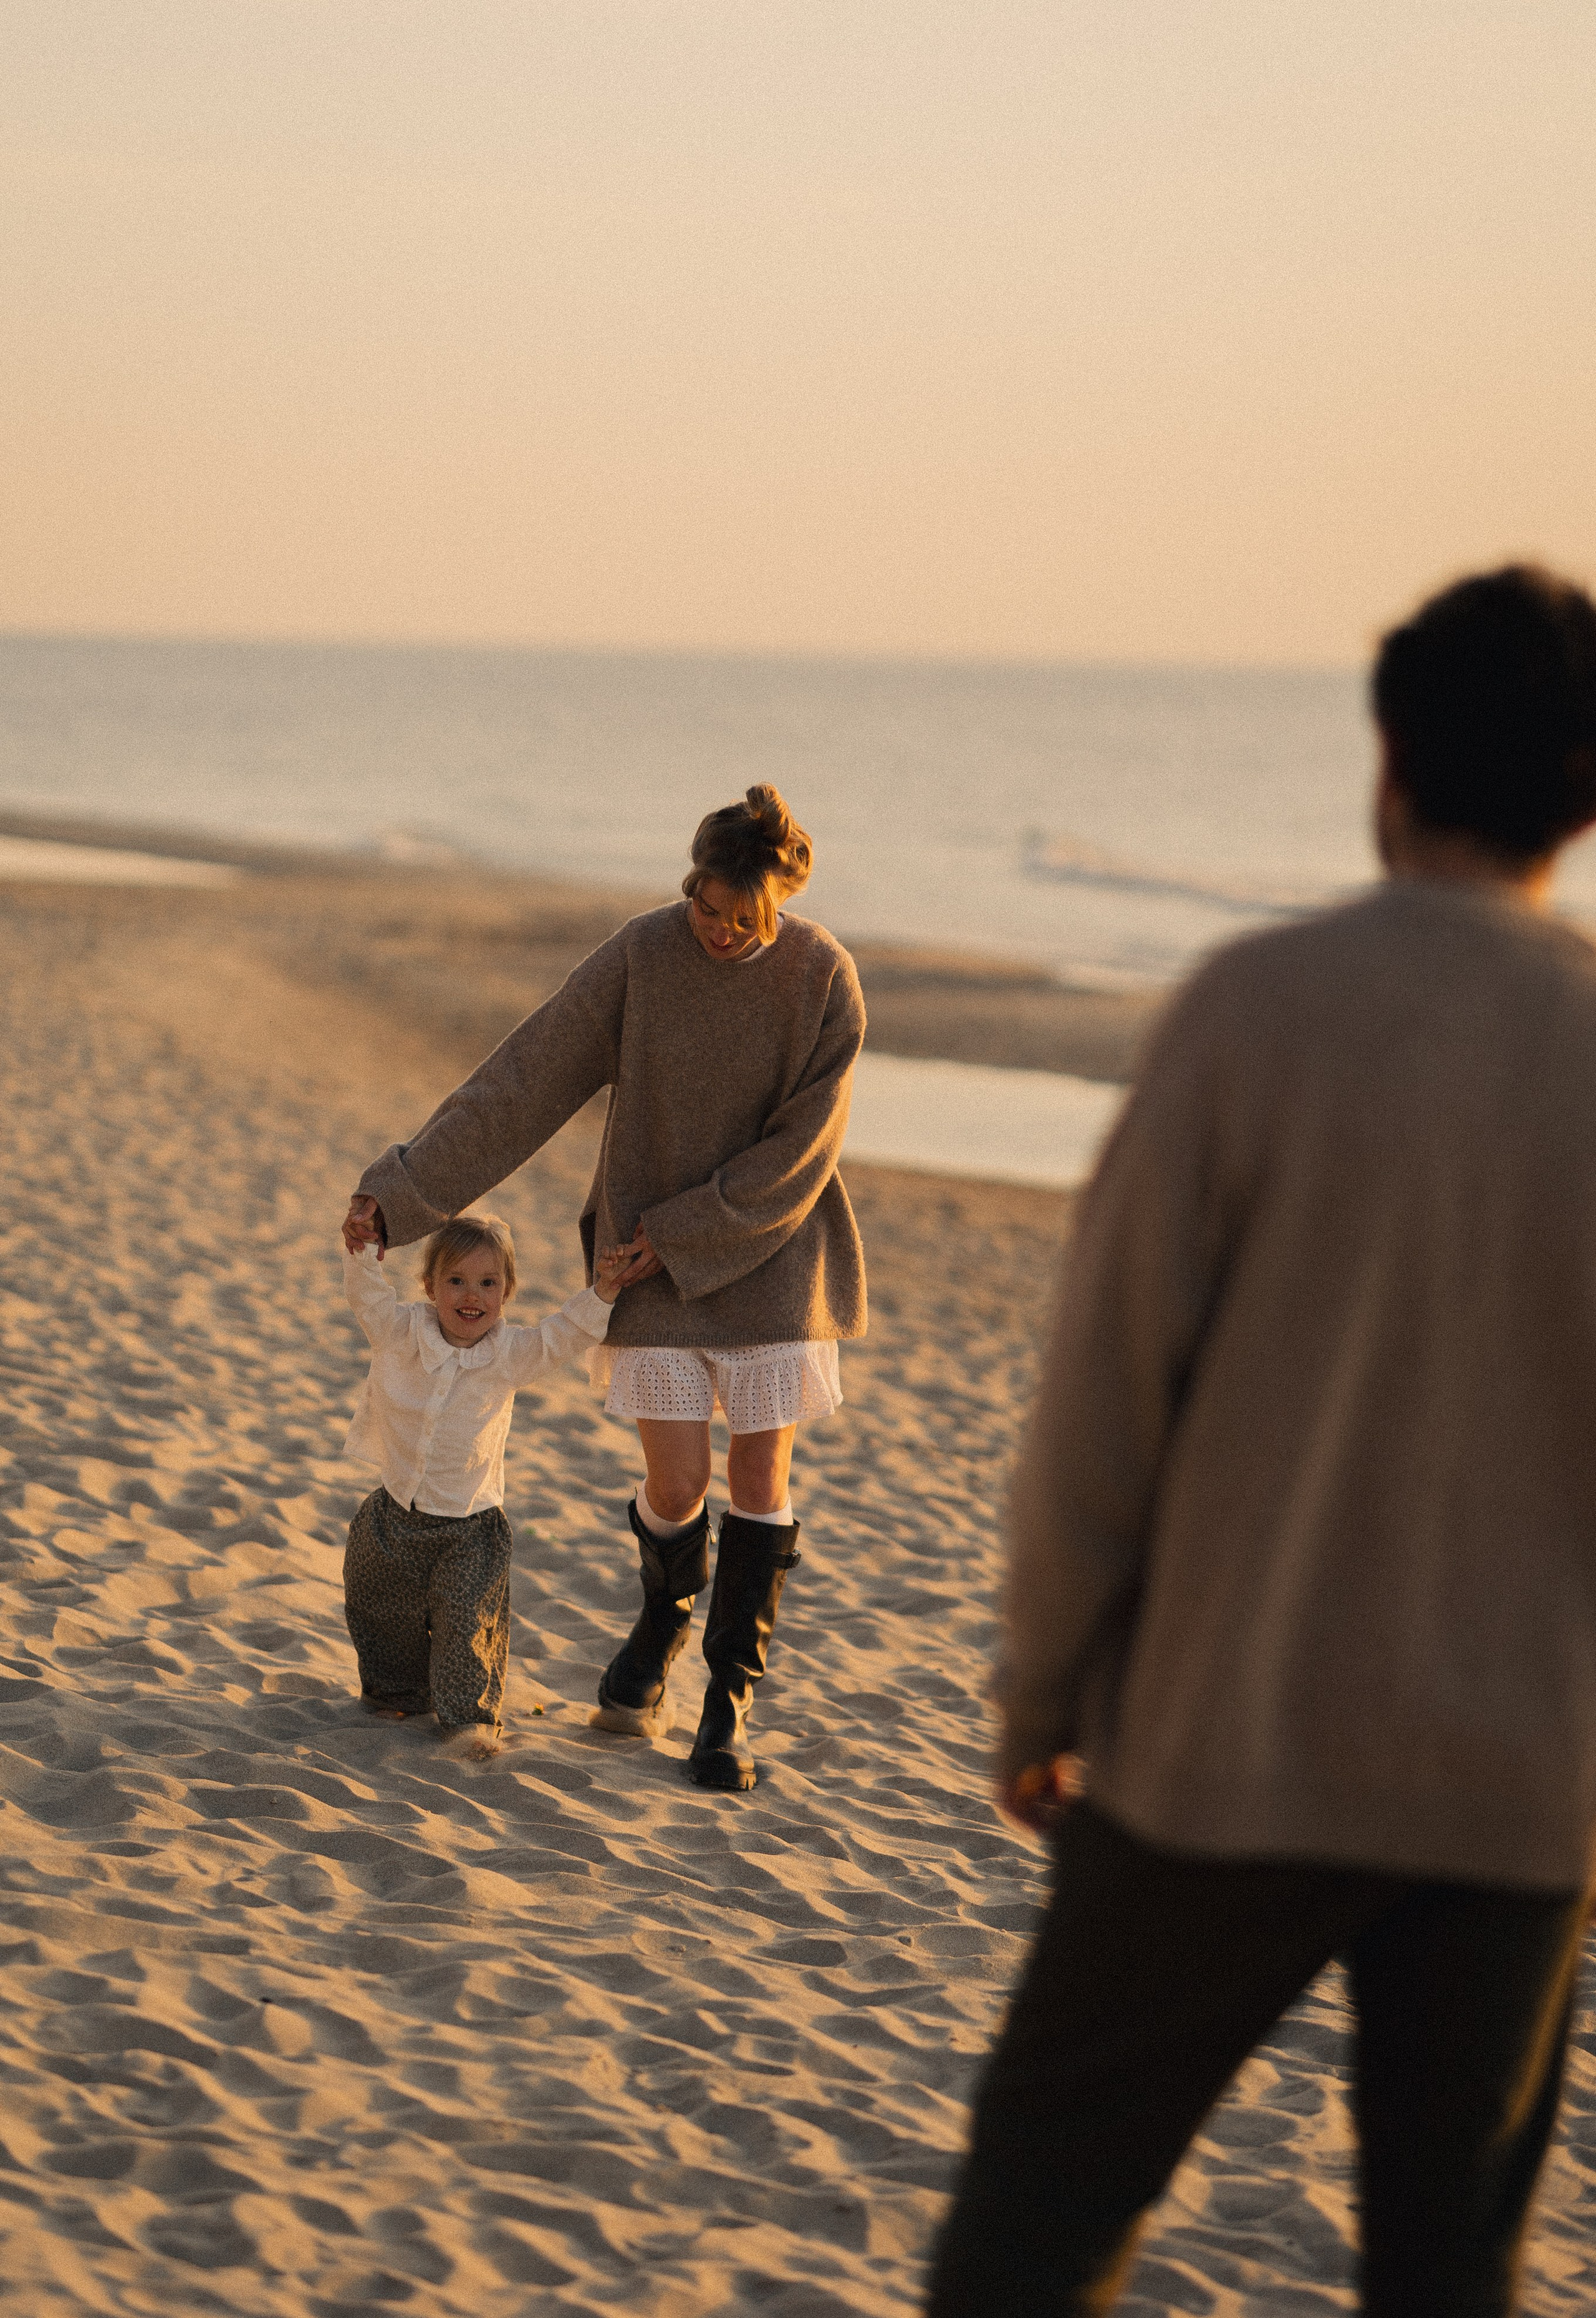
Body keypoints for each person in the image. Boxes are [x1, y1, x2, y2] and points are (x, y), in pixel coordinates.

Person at [928, 565, 1596, 2317]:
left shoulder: (1253, 1010)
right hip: (1520, 1796)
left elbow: (1102, 1403)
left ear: (1388, 762)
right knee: (1449, 2276)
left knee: (1037, 2228)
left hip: (1221, 1745)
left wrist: (1044, 1695)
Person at [342, 783, 866, 1791]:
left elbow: (806, 1151)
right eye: (704, 907)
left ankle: (727, 1702)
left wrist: (686, 1231)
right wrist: (400, 1195)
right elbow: (525, 1078)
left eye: (738, 918)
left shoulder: (822, 977)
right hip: (644, 1262)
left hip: (774, 1258)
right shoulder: (643, 954)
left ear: (777, 904)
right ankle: (664, 1619)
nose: (715, 931)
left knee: (758, 1483)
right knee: (676, 1486)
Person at [341, 1209, 643, 1759]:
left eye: (488, 1283)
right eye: (455, 1280)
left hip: (470, 1526)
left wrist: (603, 1291)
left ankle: (468, 1720)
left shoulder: (509, 1354)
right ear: (430, 1286)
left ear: (507, 1292)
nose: (471, 1295)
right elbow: (368, 1298)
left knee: (466, 1625)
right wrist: (363, 1251)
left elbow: (564, 1335)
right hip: (395, 1509)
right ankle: (398, 1692)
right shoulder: (401, 1331)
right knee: (380, 1606)